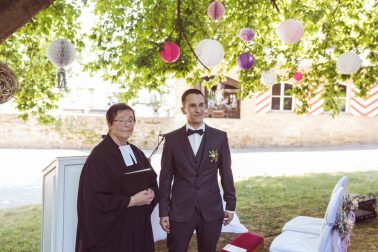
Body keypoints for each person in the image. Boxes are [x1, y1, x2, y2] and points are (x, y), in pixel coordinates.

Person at [159, 88, 237, 252]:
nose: (198, 109)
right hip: (180, 210)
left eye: (201, 105)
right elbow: (165, 178)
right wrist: (163, 211)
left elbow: (226, 173)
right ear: (183, 109)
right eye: (193, 105)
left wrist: (230, 204)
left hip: (211, 208)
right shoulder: (171, 139)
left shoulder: (220, 137)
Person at [76, 103, 158, 252]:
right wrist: (131, 201)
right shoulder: (98, 157)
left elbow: (151, 179)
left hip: (136, 227)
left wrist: (152, 192)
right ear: (109, 124)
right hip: (113, 234)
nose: (127, 125)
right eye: (121, 120)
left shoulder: (136, 152)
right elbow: (94, 199)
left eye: (131, 120)